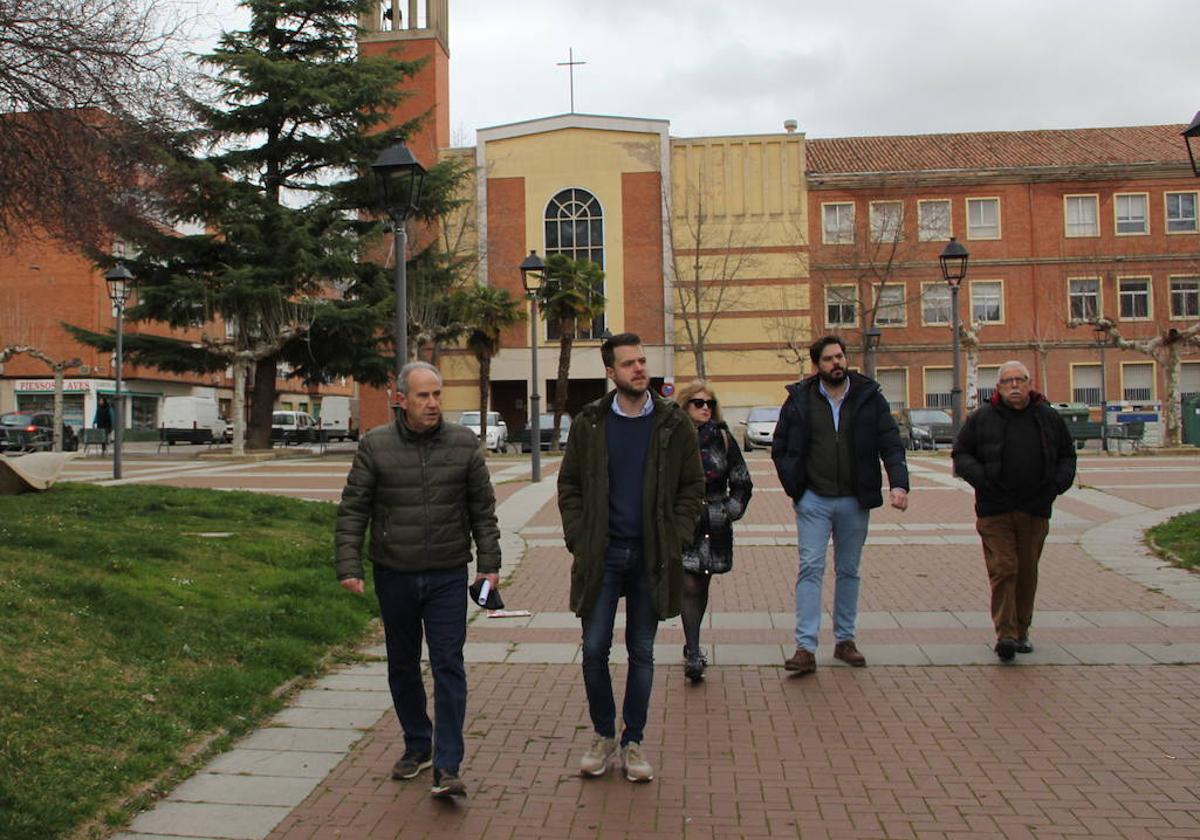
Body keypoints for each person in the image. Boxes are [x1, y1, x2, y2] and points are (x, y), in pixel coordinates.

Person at [334, 361, 501, 799]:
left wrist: (489, 564)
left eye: (437, 395)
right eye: (423, 396)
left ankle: (448, 765)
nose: (432, 404)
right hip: (396, 574)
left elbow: (483, 511)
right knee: (403, 665)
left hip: (447, 573)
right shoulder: (375, 446)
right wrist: (349, 566)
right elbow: (354, 510)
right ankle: (416, 743)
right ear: (400, 399)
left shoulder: (463, 444)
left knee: (448, 665)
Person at [558, 332, 704, 783]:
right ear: (610, 372)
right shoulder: (590, 423)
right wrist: (581, 539)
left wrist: (675, 537)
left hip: (651, 556)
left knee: (642, 651)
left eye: (642, 361)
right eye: (629, 364)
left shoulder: (673, 425)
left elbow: (691, 488)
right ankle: (603, 735)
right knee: (595, 648)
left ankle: (633, 740)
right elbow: (570, 487)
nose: (639, 369)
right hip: (601, 555)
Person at [771, 335, 909, 676]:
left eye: (840, 357)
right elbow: (781, 446)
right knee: (810, 567)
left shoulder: (868, 396)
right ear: (817, 365)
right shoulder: (800, 399)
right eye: (829, 359)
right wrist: (796, 489)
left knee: (848, 570)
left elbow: (890, 443)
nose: (837, 363)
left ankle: (845, 639)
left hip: (854, 498)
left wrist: (899, 483)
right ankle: (805, 647)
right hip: (814, 499)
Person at [951, 361, 1076, 662]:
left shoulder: (1048, 418)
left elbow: (1067, 456)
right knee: (1004, 567)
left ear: (1030, 383)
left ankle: (1022, 631)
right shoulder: (982, 418)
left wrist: (1055, 486)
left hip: (1034, 509)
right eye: (1008, 381)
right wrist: (983, 480)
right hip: (995, 509)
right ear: (998, 387)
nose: (1015, 386)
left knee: (1027, 571)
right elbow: (961, 453)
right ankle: (1005, 634)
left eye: (1020, 380)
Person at [672, 379, 753, 682]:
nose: (705, 408)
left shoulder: (723, 438)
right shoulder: (672, 438)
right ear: (685, 406)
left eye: (710, 403)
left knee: (701, 584)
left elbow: (742, 481)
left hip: (713, 523)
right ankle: (693, 651)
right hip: (681, 522)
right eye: (698, 403)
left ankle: (691, 641)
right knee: (689, 583)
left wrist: (729, 511)